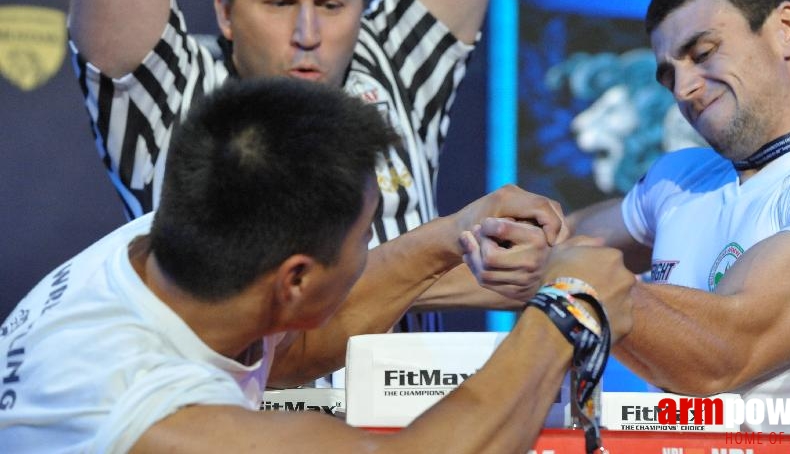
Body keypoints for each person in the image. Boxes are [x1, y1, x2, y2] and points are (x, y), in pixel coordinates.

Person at [0, 77, 634, 453]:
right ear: (297, 277)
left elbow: (293, 352)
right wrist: (567, 308)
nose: (369, 253)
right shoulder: (158, 421)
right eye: (364, 238)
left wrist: (450, 235)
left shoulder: (183, 236)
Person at [475, 0, 790, 433]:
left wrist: (571, 279)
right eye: (669, 74)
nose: (683, 88)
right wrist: (404, 268)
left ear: (787, 28)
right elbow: (533, 255)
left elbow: (726, 352)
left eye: (703, 54)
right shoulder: (680, 177)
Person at [68, 0, 502, 251]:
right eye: (280, 3)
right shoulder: (172, 96)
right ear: (226, 12)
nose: (307, 33)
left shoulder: (394, 62)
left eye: (332, 5)